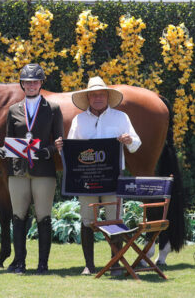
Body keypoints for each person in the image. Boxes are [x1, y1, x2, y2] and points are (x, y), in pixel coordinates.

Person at [68, 76, 141, 275]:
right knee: (87, 220)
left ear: (107, 96)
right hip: (87, 179)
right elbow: (70, 150)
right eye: (93, 95)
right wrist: (61, 148)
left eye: (101, 94)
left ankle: (115, 263)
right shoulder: (79, 119)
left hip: (113, 178)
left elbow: (136, 144)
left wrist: (128, 140)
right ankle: (89, 265)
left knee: (114, 219)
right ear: (88, 98)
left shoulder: (121, 117)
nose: (97, 98)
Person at [0, 63, 64, 274]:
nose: (31, 85)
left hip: (43, 170)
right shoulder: (13, 110)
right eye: (27, 82)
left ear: (41, 84)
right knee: (18, 216)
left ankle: (43, 263)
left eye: (35, 82)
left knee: (43, 216)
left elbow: (59, 141)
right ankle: (19, 262)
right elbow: (10, 140)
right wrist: (3, 151)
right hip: (18, 171)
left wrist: (48, 151)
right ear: (23, 84)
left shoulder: (53, 109)